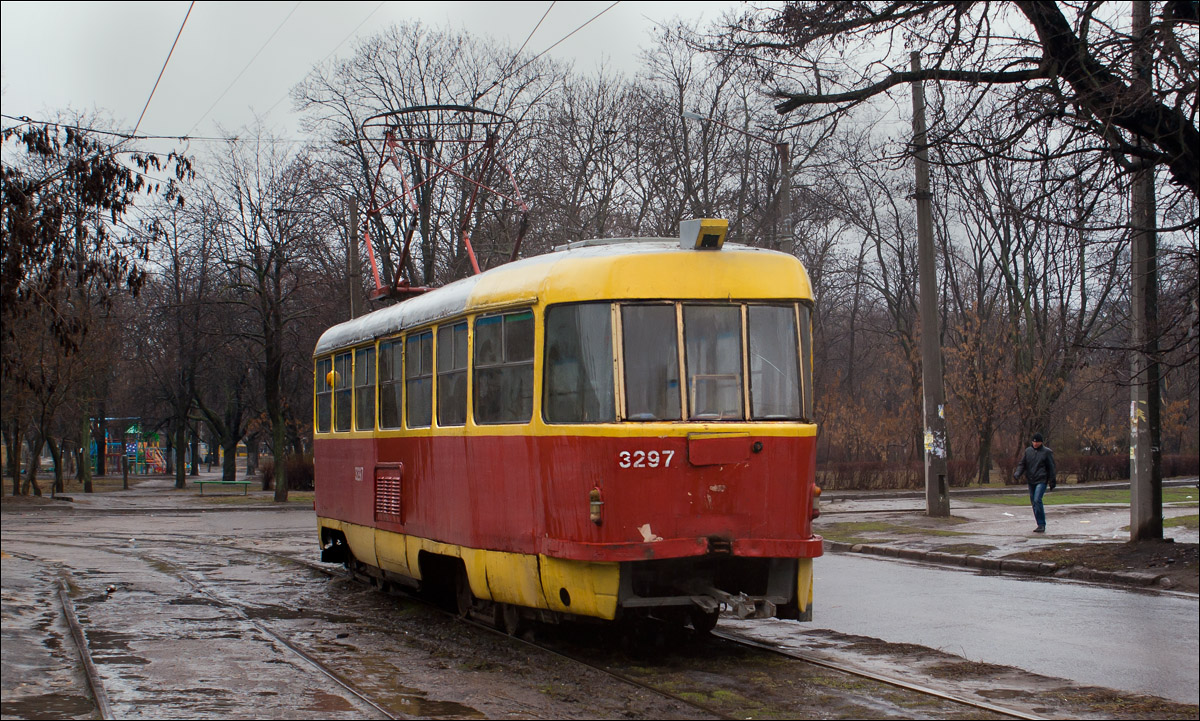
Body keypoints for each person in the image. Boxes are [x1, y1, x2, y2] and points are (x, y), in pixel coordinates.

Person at [1013, 432, 1057, 533]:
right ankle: (1039, 524)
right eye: (1034, 442)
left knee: (1037, 500)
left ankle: (1042, 524)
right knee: (1034, 502)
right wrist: (1017, 473)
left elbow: (1051, 468)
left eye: (1037, 442)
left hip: (1041, 480)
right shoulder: (1028, 451)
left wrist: (1052, 481)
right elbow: (1022, 464)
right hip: (1031, 479)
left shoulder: (1047, 452)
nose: (1035, 444)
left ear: (1041, 442)